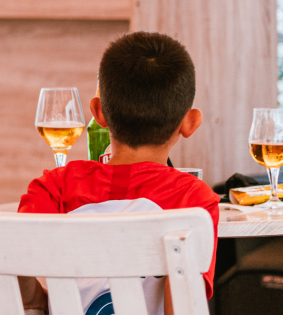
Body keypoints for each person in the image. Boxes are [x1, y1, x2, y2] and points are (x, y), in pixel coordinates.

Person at [16, 32, 218, 315]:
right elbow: (184, 304)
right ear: (190, 122)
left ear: (98, 113)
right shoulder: (193, 199)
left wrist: (38, 303)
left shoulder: (54, 187)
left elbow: (15, 254)